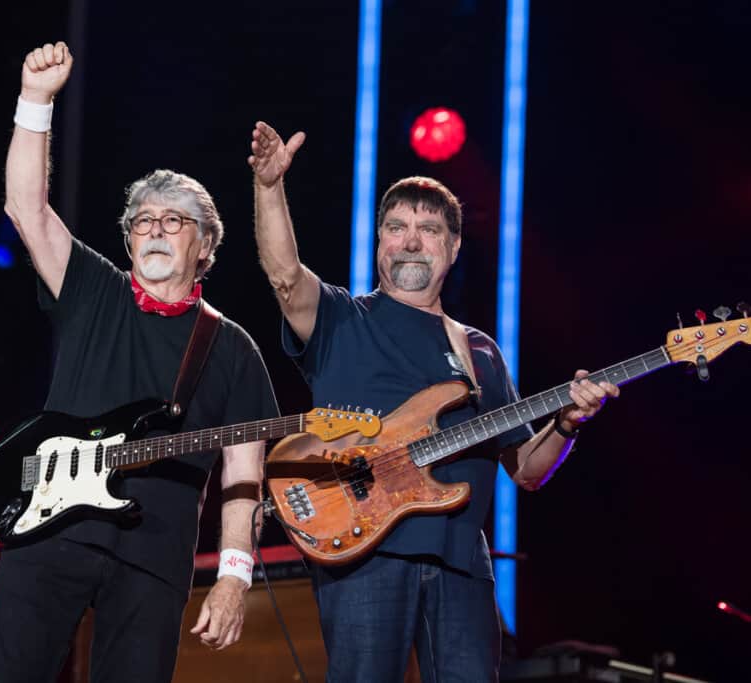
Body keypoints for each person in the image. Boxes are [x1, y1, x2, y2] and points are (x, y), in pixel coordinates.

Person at [248, 121, 620, 682]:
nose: (412, 239)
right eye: (396, 227)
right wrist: (269, 188)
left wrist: (567, 424)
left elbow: (527, 472)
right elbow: (283, 275)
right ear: (379, 241)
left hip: (463, 567)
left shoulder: (479, 350)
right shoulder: (343, 319)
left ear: (453, 246)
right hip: (364, 553)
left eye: (429, 228)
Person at [0, 43, 278, 682]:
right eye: (143, 221)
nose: (157, 230)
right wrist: (36, 101)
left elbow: (242, 480)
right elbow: (26, 208)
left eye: (175, 221)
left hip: (154, 562)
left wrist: (232, 577)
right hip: (47, 533)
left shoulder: (233, 349)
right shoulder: (93, 288)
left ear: (206, 246)